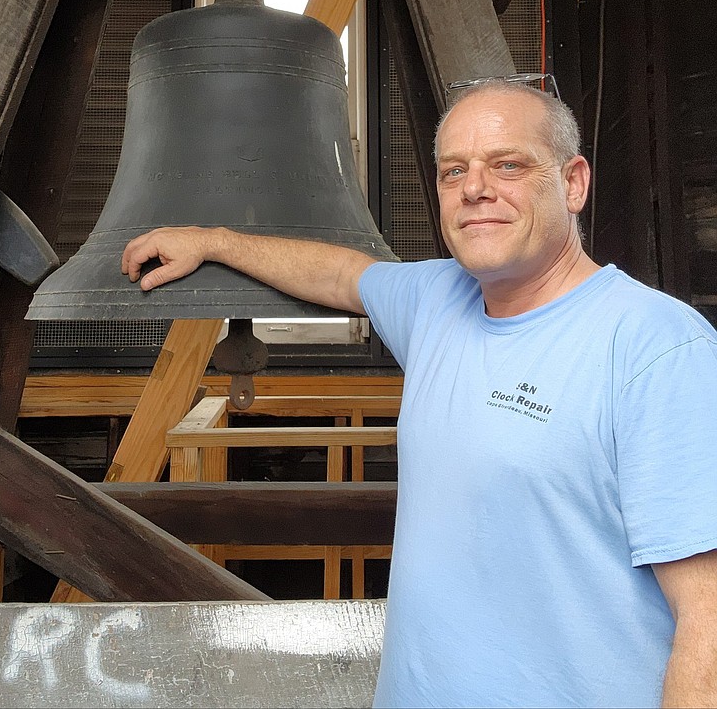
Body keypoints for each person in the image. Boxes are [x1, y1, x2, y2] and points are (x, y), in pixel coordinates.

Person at [122, 79, 717, 709]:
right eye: (453, 170)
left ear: (573, 183)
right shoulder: (438, 301)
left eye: (507, 165)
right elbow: (340, 274)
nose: (475, 188)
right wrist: (214, 242)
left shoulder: (656, 347)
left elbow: (707, 622)